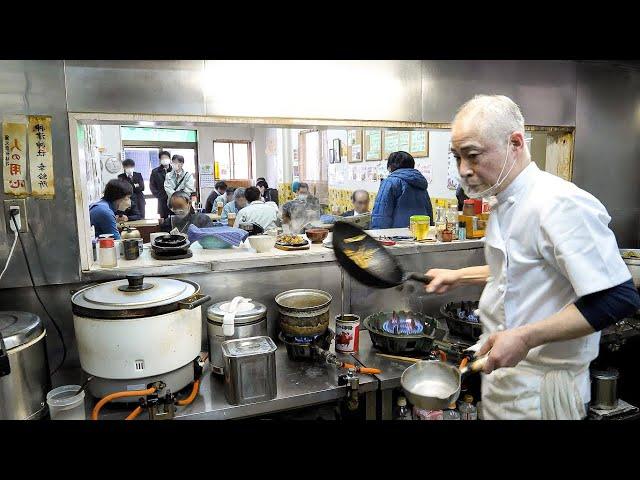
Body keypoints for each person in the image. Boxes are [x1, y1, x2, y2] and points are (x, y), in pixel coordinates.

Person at [425, 94, 640, 420]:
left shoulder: (559, 203)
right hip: (505, 379)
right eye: (457, 157)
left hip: (543, 392)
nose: (464, 171)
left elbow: (618, 297)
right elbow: (523, 268)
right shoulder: (504, 199)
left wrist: (525, 337)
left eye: (473, 156)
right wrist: (458, 276)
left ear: (514, 142)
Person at [371, 151, 434, 229]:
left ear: (390, 166)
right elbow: (429, 211)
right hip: (420, 233)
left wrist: (377, 235)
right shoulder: (420, 182)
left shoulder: (390, 182)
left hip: (396, 236)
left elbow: (381, 214)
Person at [150, 150, 173, 219]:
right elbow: (152, 186)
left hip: (174, 199)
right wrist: (159, 195)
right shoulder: (155, 172)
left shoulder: (174, 170)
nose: (164, 160)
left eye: (166, 158)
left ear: (169, 159)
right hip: (162, 200)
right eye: (162, 158)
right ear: (160, 160)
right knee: (164, 221)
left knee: (175, 220)